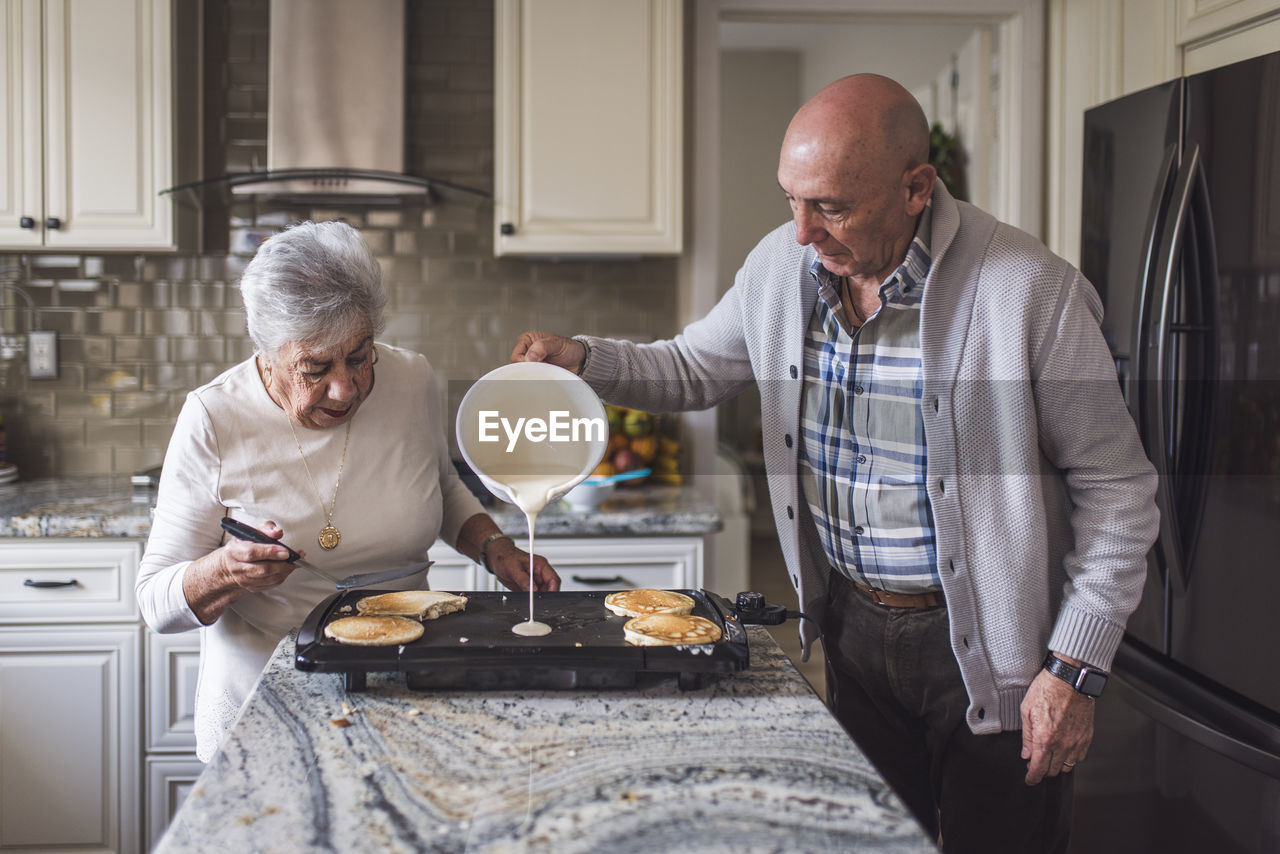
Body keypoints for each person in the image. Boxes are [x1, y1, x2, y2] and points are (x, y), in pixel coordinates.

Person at [510, 74, 1158, 852]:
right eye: (791, 199)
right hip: (851, 632)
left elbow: (1119, 491)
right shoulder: (782, 271)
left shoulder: (1029, 291)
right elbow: (692, 368)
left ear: (917, 188)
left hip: (998, 654)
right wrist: (580, 358)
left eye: (832, 206)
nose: (802, 232)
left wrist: (1074, 669)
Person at [137, 221, 559, 762]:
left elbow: (441, 484)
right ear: (266, 353)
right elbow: (156, 604)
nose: (345, 388)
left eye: (360, 357)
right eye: (315, 368)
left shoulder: (413, 379)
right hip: (268, 702)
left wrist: (496, 549)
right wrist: (226, 571)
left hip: (406, 683)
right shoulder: (214, 416)